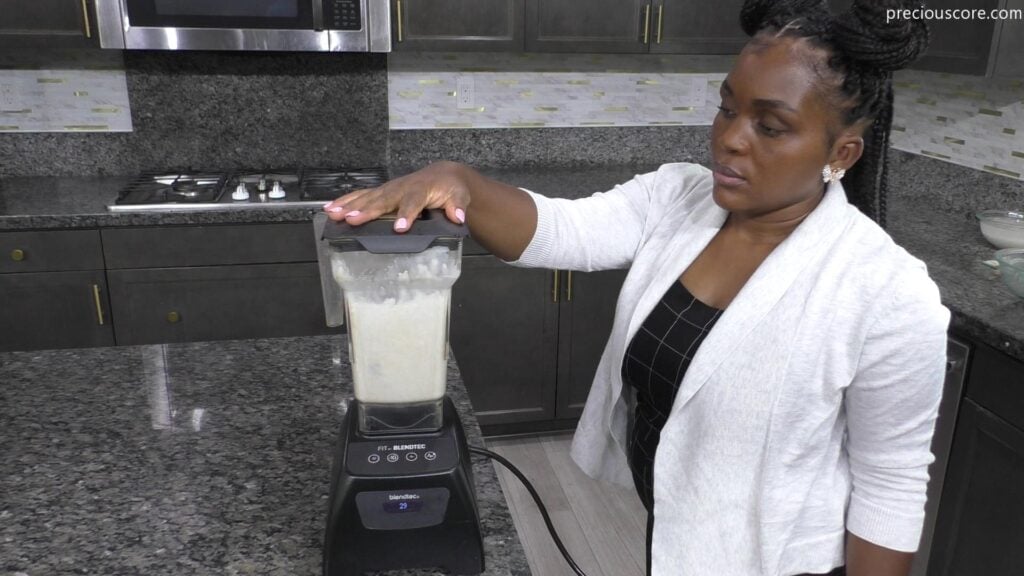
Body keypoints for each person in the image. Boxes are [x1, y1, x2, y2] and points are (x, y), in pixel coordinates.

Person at [324, 0, 949, 574]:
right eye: (728, 107)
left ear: (840, 152)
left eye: (771, 126)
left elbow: (890, 482)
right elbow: (562, 230)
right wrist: (456, 178)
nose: (730, 137)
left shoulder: (885, 292)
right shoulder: (679, 198)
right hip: (676, 537)